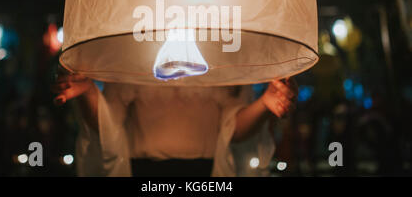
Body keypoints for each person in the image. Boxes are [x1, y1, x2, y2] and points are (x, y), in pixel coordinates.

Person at [53, 74, 298, 177]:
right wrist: (88, 94)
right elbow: (107, 125)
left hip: (205, 175)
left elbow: (232, 129)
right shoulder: (132, 55)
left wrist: (265, 104)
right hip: (144, 173)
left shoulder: (220, 55)